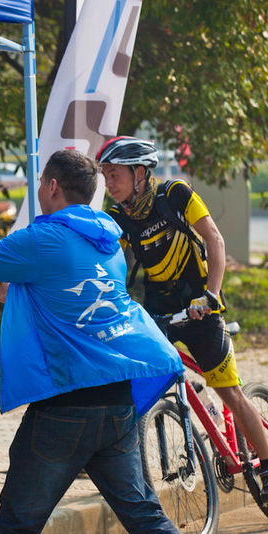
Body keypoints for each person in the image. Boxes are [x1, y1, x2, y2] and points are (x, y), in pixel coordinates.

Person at [0, 150, 183, 533]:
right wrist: (17, 295)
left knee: (16, 522)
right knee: (145, 516)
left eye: (41, 182)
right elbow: (80, 304)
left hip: (65, 411)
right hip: (118, 404)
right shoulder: (109, 243)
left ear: (53, 186)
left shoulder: (42, 238)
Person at [98, 135, 268, 500]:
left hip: (201, 307)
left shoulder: (176, 194)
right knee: (137, 381)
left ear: (139, 172)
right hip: (158, 310)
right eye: (105, 176)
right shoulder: (118, 217)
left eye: (114, 174)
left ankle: (267, 466)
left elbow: (214, 240)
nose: (108, 183)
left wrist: (210, 294)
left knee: (231, 393)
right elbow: (104, 261)